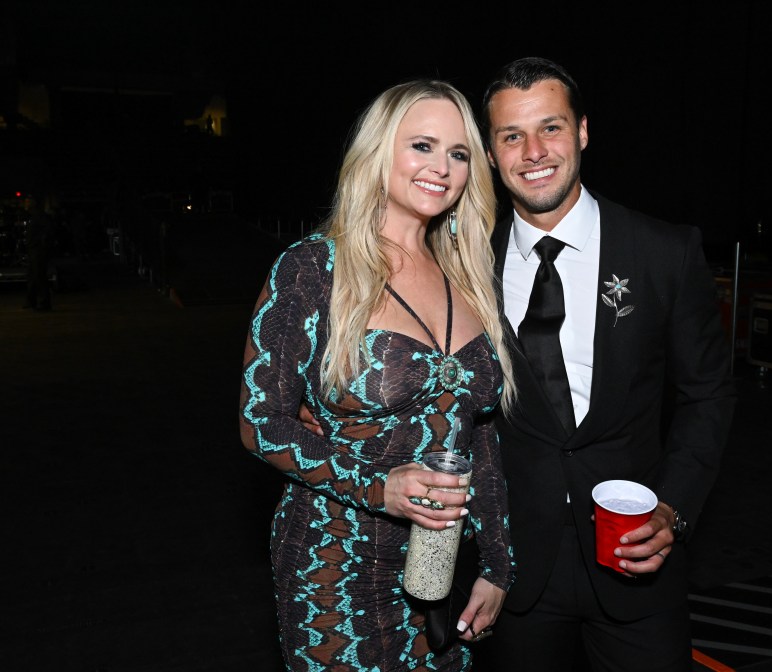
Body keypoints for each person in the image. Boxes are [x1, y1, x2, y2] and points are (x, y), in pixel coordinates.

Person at [239, 79, 517, 672]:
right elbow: (259, 423)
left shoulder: (469, 278)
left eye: (459, 153)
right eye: (422, 145)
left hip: (439, 569)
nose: (441, 167)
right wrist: (378, 486)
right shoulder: (313, 268)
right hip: (332, 567)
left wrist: (497, 565)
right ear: (379, 152)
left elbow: (481, 440)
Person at [470, 57, 737, 672]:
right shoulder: (463, 266)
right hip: (513, 574)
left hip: (638, 568)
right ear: (490, 151)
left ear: (583, 131)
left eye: (551, 128)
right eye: (512, 135)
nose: (533, 151)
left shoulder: (664, 252)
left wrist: (673, 506)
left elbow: (708, 395)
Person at [23, 194, 55, 311]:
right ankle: (32, 301)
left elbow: (48, 231)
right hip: (34, 250)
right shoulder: (34, 216)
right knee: (32, 276)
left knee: (39, 276)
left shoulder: (39, 216)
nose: (25, 203)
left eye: (28, 201)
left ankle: (44, 303)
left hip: (38, 250)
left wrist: (41, 243)